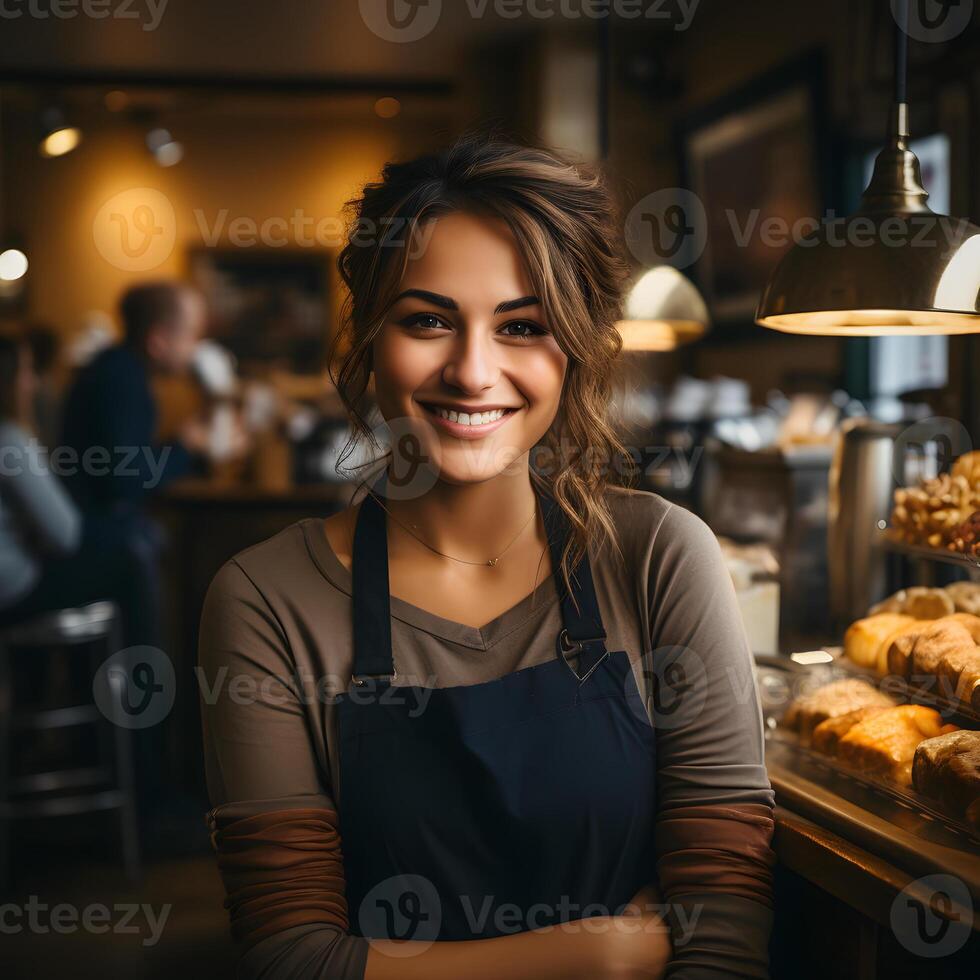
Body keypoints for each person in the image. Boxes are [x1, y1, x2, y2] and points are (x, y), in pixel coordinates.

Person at [198, 134, 776, 980]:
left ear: (574, 347)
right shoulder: (264, 600)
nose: (473, 371)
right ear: (368, 335)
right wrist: (595, 958)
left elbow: (722, 935)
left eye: (523, 326)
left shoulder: (658, 557)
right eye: (428, 319)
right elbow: (292, 961)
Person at [59, 281, 213, 647]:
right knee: (150, 547)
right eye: (192, 336)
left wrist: (184, 449)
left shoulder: (117, 370)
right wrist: (186, 447)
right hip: (89, 536)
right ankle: (151, 692)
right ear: (159, 340)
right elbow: (126, 480)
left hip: (89, 527)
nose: (196, 349)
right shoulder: (121, 379)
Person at [0, 332, 81, 617]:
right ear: (7, 382)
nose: (33, 382)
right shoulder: (8, 438)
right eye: (26, 371)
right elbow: (66, 534)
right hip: (11, 589)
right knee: (129, 564)